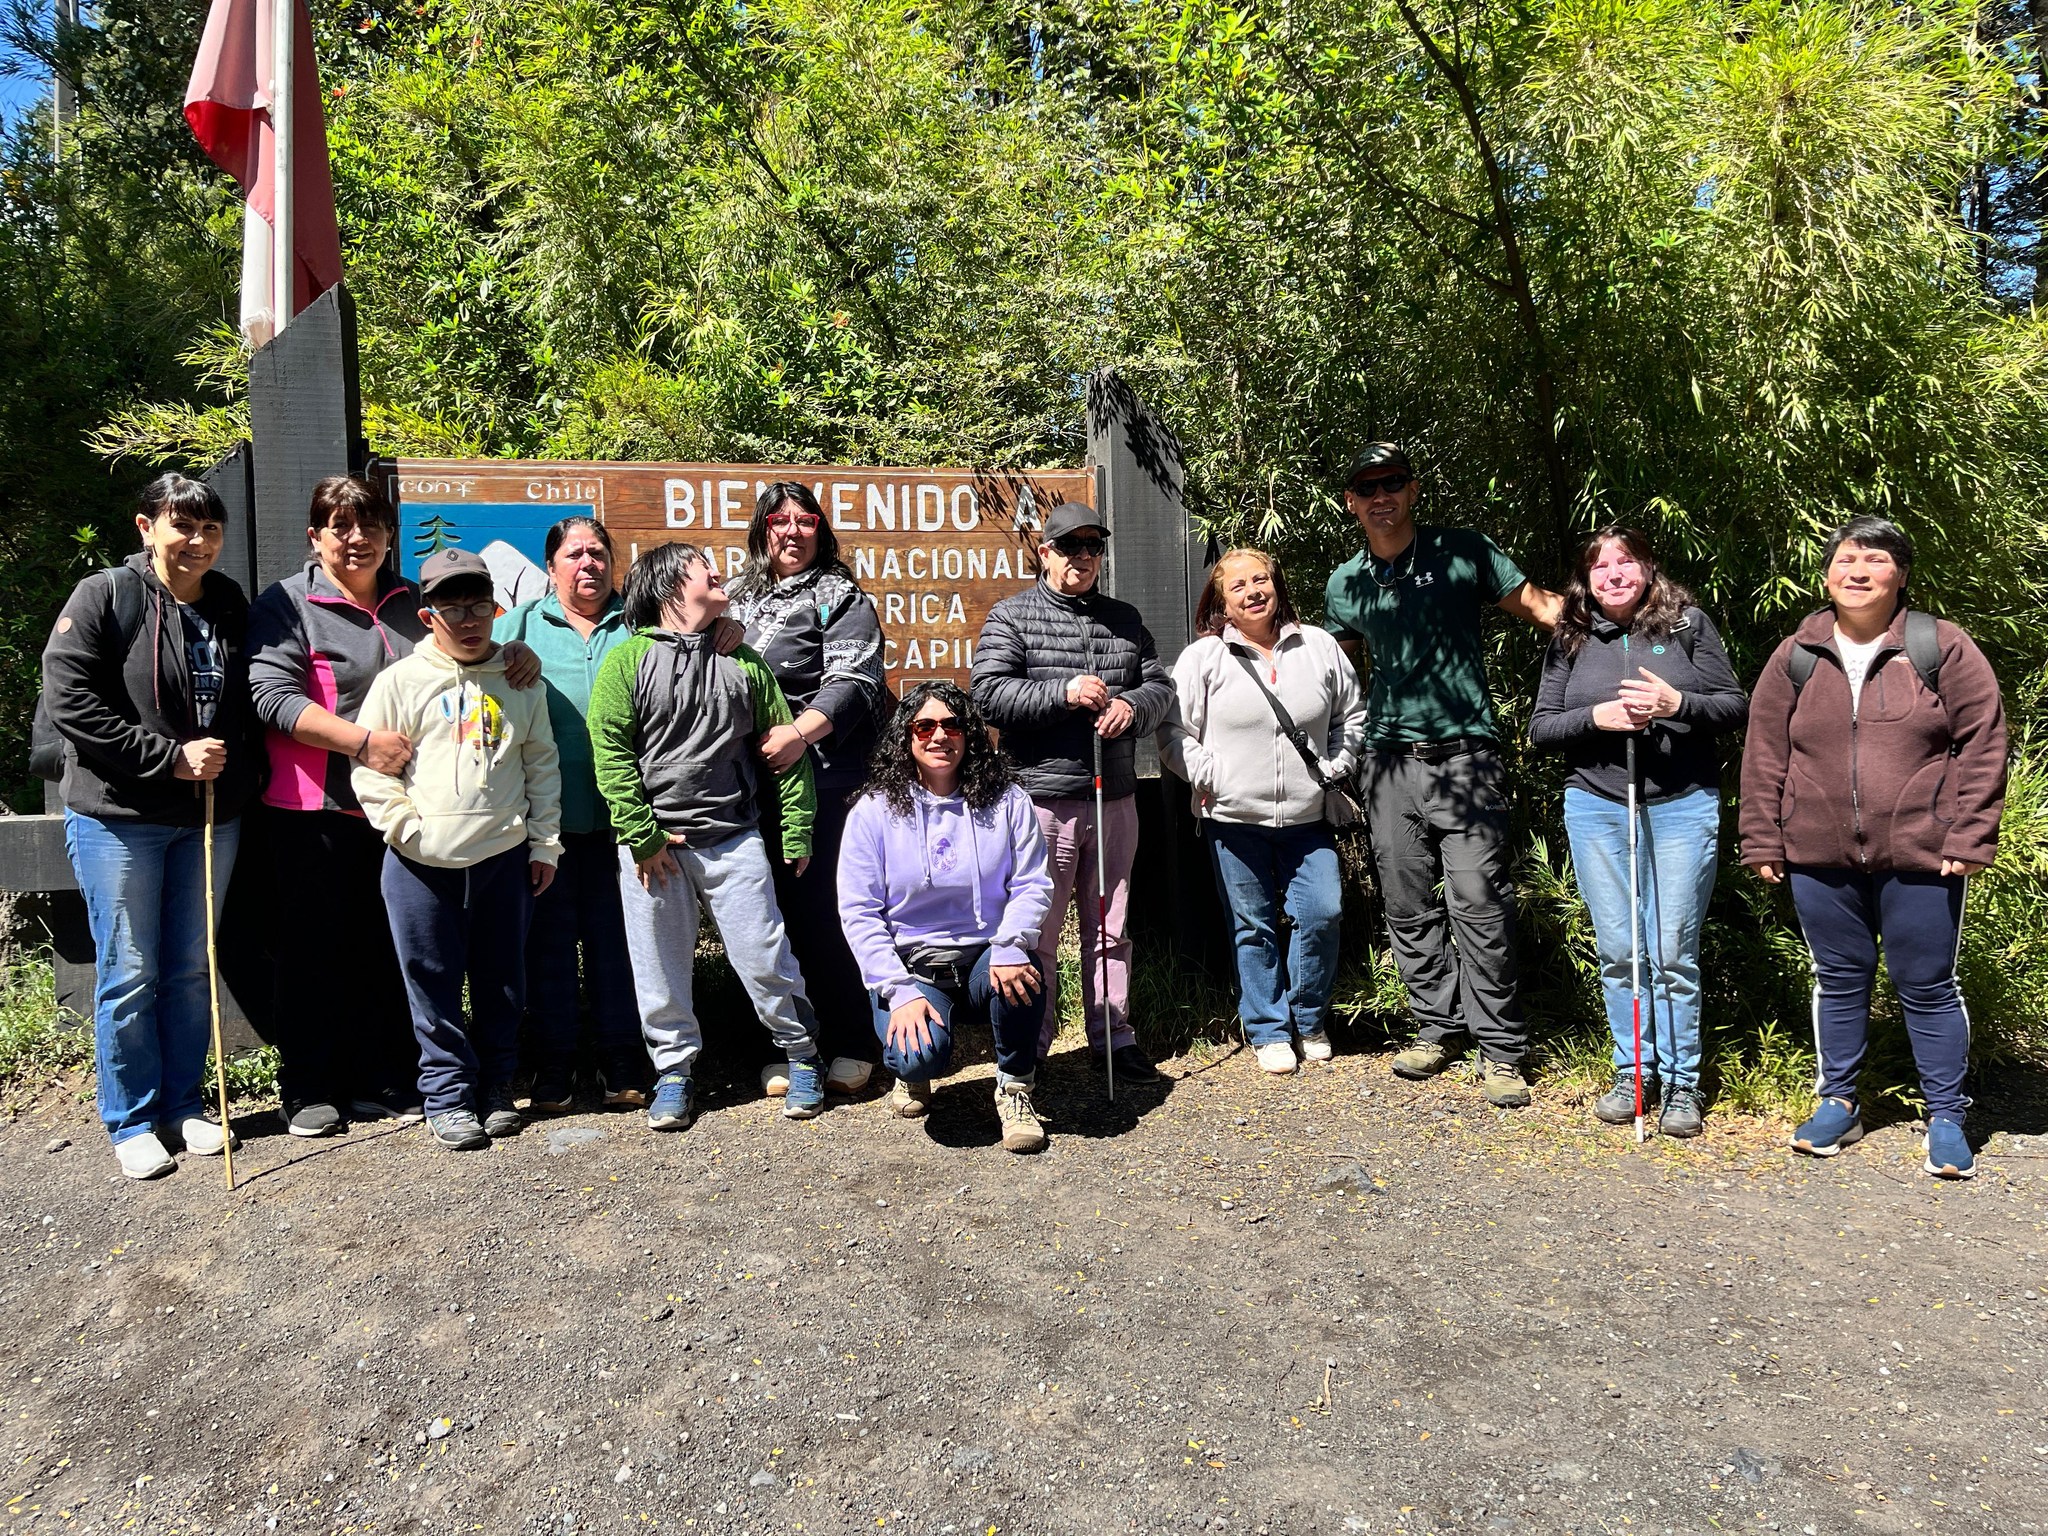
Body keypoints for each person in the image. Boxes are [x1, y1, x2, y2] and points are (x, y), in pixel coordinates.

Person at [247, 476, 542, 1137]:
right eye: (341, 526)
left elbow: (461, 650)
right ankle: (310, 1086)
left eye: (371, 525)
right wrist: (360, 743)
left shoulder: (413, 600)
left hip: (409, 810)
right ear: (315, 537)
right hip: (317, 806)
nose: (357, 538)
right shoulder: (288, 603)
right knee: (314, 951)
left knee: (392, 952)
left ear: (389, 535)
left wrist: (514, 652)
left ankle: (383, 1078)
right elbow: (270, 695)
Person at [1739, 516, 2006, 1180]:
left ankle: (1947, 1117)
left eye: (1875, 559)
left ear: (1901, 575)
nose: (1857, 571)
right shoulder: (1796, 654)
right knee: (1838, 978)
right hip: (1818, 851)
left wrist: (1970, 833)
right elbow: (1765, 752)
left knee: (1928, 984)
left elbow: (1983, 741)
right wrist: (1762, 836)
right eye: (1845, 559)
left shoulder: (1940, 645)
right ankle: (1838, 1103)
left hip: (1924, 851)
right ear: (1827, 574)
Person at [1323, 441, 1562, 1108]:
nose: (1381, 496)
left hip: (1466, 758)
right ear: (1351, 502)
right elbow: (1334, 678)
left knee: (1479, 901)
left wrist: (1624, 630)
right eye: (1367, 487)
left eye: (1393, 482)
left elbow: (1544, 610)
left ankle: (1502, 1050)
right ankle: (1438, 1026)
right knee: (1406, 903)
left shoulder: (1463, 551)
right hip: (1387, 762)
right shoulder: (1346, 582)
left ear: (1413, 490)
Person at [42, 473, 258, 1179]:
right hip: (120, 818)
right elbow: (70, 699)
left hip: (208, 815)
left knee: (192, 967)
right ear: (146, 527)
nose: (198, 541)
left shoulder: (227, 601)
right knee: (130, 970)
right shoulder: (105, 595)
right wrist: (168, 758)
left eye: (210, 528)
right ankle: (131, 1118)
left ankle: (182, 1104)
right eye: (182, 526)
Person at [588, 541, 827, 1132]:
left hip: (734, 839)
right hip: (653, 849)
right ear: (671, 585)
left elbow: (785, 749)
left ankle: (802, 1055)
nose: (718, 572)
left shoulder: (743, 660)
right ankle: (673, 1073)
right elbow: (610, 752)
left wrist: (796, 827)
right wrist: (641, 834)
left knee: (765, 957)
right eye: (703, 567)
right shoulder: (626, 661)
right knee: (659, 971)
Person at [1530, 526, 1747, 1138]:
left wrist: (1678, 705)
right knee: (1621, 950)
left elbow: (1735, 705)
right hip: (1597, 806)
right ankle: (1635, 1073)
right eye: (1600, 567)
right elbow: (1542, 728)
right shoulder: (1571, 634)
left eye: (1626, 562)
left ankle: (1682, 1082)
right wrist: (1596, 717)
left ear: (1649, 568)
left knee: (1672, 950)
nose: (1614, 575)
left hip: (1681, 805)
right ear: (1586, 579)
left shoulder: (1687, 625)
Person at [351, 549, 562, 1150]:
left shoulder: (520, 680)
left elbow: (541, 764)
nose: (469, 620)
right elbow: (371, 769)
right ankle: (446, 1096)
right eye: (453, 608)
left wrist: (545, 844)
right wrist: (406, 830)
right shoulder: (399, 682)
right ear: (428, 616)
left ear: (496, 610)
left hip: (504, 857)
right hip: (419, 864)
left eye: (479, 606)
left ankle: (496, 1087)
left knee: (503, 980)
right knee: (430, 981)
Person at [970, 503, 1176, 1081]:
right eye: (1070, 546)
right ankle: (1029, 1045)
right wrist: (1063, 692)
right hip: (1040, 800)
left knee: (1111, 928)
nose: (1083, 557)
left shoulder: (1125, 619)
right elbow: (988, 694)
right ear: (1045, 552)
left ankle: (1114, 1037)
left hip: (1115, 798)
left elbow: (1160, 687)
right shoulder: (1012, 616)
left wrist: (1131, 707)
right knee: (1037, 927)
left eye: (1093, 547)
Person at [1160, 549, 1365, 1075]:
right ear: (1221, 602)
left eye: (1261, 580)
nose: (1253, 591)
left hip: (1309, 817)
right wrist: (1211, 776)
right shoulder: (1204, 658)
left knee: (1322, 913)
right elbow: (1174, 732)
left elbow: (1352, 715)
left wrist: (1337, 765)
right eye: (1238, 586)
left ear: (1277, 585)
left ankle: (1309, 1019)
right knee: (1252, 925)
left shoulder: (1317, 646)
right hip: (1233, 820)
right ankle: (1269, 1029)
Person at [838, 682, 1056, 1152]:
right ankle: (912, 1075)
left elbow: (1032, 883)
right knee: (917, 1056)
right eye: (925, 726)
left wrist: (1011, 944)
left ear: (970, 734)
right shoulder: (874, 810)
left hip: (985, 959)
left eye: (952, 725)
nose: (939, 736)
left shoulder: (1008, 800)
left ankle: (1015, 1089)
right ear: (906, 735)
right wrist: (898, 991)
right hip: (913, 968)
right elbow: (859, 911)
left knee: (1025, 973)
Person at [727, 482, 891, 1100]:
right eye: (779, 521)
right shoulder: (735, 596)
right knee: (762, 919)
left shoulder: (840, 596)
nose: (792, 532)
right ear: (762, 530)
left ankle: (852, 1040)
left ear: (821, 530)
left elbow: (856, 682)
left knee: (824, 914)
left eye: (805, 521)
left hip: (825, 777)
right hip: (745, 785)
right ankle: (787, 1045)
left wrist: (799, 733)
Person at [494, 516, 650, 1112]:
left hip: (624, 824)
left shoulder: (641, 620)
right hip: (544, 826)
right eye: (575, 554)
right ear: (551, 566)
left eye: (598, 552)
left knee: (620, 949)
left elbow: (702, 632)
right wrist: (502, 652)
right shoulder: (520, 626)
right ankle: (553, 1066)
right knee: (548, 950)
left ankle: (622, 1060)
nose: (589, 563)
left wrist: (729, 628)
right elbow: (460, 655)